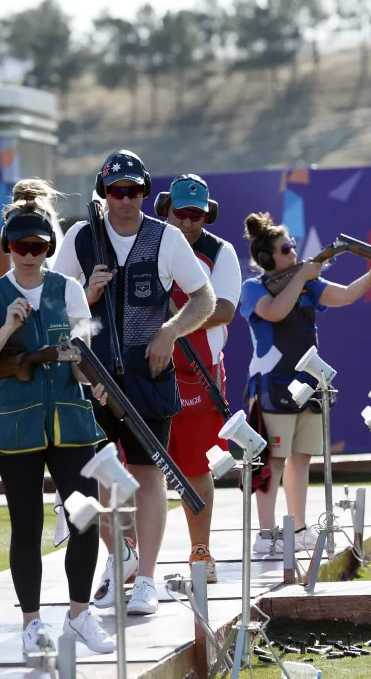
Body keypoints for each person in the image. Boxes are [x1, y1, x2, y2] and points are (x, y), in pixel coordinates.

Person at [0, 179, 115, 660]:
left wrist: (96, 382)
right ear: (7, 245)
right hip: (17, 428)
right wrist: (7, 327)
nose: (30, 254)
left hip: (72, 421)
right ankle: (31, 623)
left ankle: (79, 614)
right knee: (25, 528)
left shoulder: (69, 289)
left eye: (40, 246)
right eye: (22, 246)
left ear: (49, 246)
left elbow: (81, 356)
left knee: (85, 519)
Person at [52, 150, 215, 616]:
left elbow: (204, 299)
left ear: (145, 191)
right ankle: (118, 558)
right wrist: (87, 295)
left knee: (147, 478)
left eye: (135, 190)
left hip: (149, 377)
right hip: (92, 378)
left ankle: (145, 580)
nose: (125, 199)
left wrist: (170, 332)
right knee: (98, 479)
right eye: (117, 190)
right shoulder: (81, 237)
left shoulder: (166, 237)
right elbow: (51, 305)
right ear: (103, 192)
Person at [238, 212, 371, 553]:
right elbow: (275, 311)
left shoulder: (306, 283)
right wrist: (302, 276)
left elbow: (345, 295)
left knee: (301, 458)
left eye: (293, 245)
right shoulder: (253, 289)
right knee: (273, 461)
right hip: (272, 385)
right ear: (267, 258)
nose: (293, 251)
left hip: (308, 384)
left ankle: (297, 528)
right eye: (286, 248)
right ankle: (266, 536)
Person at [159, 174, 241, 583]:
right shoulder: (146, 243)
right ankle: (131, 556)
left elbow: (224, 309)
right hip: (146, 370)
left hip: (198, 374)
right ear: (166, 210)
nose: (189, 222)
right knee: (138, 468)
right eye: (182, 213)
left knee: (195, 467)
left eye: (197, 215)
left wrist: (171, 319)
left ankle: (200, 551)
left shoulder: (220, 251)